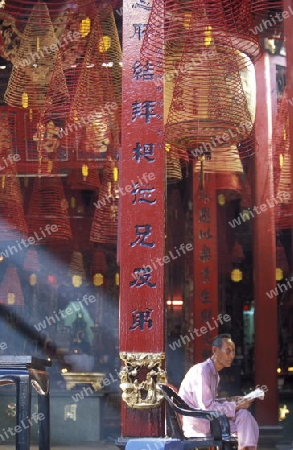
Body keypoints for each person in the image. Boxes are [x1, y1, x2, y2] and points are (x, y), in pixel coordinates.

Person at [178, 333, 259, 450]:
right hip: (200, 424)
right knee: (246, 420)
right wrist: (236, 405)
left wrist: (229, 400)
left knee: (244, 415)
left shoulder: (214, 374)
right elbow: (207, 408)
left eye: (233, 351)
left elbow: (210, 402)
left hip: (209, 420)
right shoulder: (201, 371)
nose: (231, 355)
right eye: (228, 351)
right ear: (215, 350)